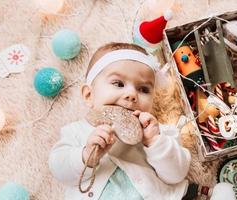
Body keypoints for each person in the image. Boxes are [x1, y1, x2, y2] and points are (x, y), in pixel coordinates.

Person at [48, 42, 191, 200]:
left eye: (143, 89)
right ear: (89, 95)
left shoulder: (156, 133)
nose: (131, 94)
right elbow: (59, 169)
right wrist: (86, 155)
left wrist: (156, 143)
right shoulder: (76, 131)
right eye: (118, 84)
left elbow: (176, 175)